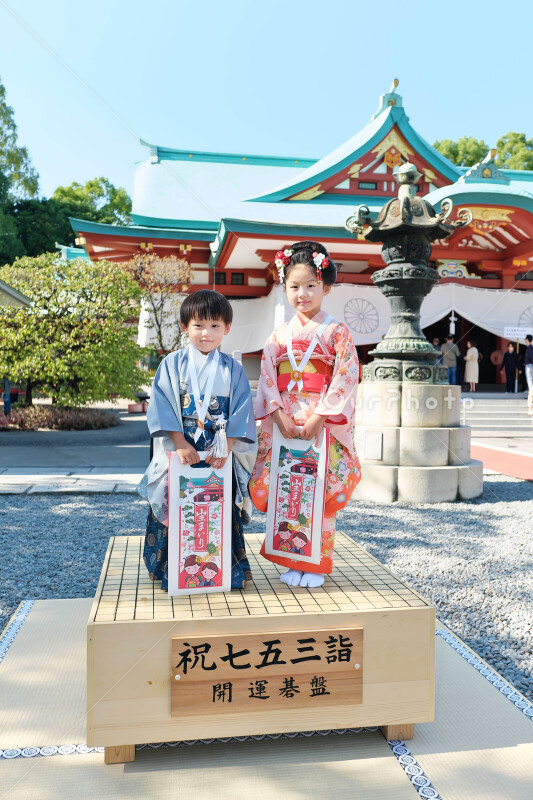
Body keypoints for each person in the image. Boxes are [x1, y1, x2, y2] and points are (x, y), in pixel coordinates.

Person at [249, 241, 361, 589]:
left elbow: (346, 376)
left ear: (326, 287)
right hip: (285, 422)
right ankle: (291, 560)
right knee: (290, 489)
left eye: (311, 286)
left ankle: (315, 563)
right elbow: (268, 377)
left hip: (321, 425)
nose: (303, 293)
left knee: (316, 493)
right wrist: (277, 414)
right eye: (294, 287)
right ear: (284, 288)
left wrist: (320, 417)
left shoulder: (337, 332)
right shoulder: (278, 336)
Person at [138, 289, 257, 591]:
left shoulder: (234, 370)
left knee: (215, 505)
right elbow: (162, 405)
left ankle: (224, 570)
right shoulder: (171, 364)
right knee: (176, 503)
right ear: (184, 327)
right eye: (198, 325)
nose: (207, 333)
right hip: (182, 449)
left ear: (227, 328)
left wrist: (226, 448)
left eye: (215, 326)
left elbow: (242, 409)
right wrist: (178, 442)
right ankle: (167, 568)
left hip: (218, 450)